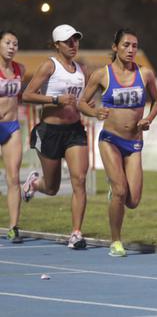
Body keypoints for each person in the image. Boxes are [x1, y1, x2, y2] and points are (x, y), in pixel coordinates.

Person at [78, 29, 157, 257]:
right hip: (110, 140)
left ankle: (116, 195)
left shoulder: (145, 75)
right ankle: (116, 242)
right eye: (126, 45)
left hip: (134, 142)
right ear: (115, 47)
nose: (131, 50)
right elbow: (81, 103)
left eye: (134, 46)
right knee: (121, 190)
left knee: (133, 200)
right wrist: (95, 112)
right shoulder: (101, 75)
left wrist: (148, 119)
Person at [22, 24, 89, 249]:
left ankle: (76, 233)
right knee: (52, 188)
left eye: (76, 40)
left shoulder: (81, 70)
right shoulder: (49, 66)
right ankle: (34, 183)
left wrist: (95, 109)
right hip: (50, 132)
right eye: (68, 41)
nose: (73, 45)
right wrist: (55, 100)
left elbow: (84, 101)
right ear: (57, 45)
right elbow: (27, 95)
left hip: (75, 132)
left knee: (79, 180)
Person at [0, 30, 27, 243]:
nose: (12, 47)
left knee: (14, 178)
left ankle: (14, 227)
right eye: (7, 42)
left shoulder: (21, 69)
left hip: (11, 126)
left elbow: (20, 97)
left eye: (15, 44)